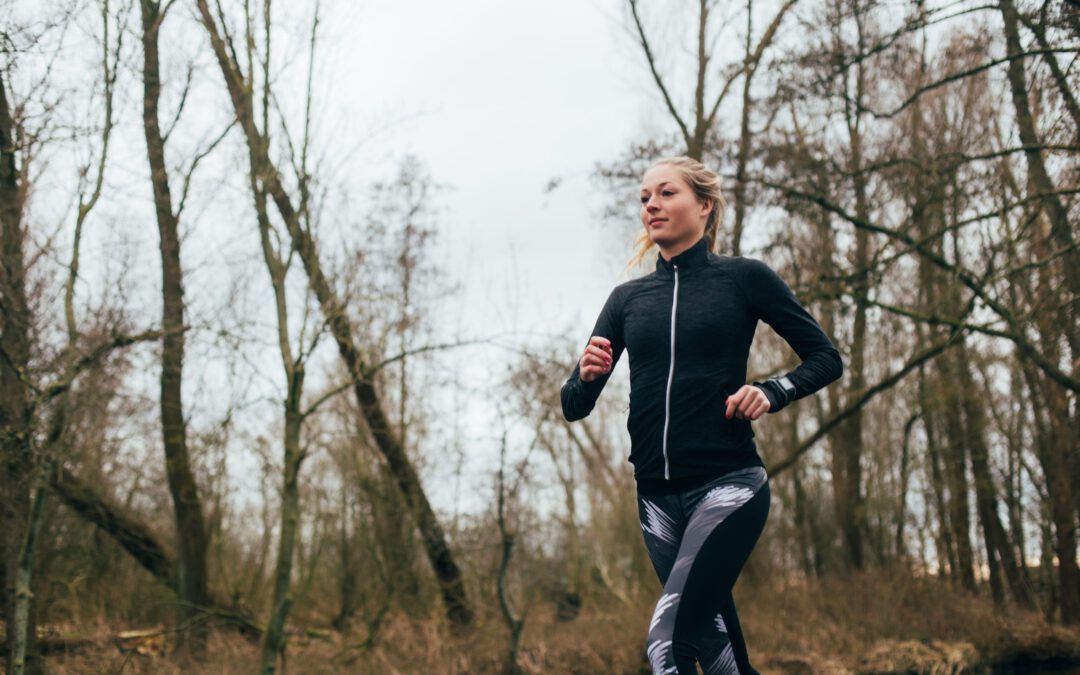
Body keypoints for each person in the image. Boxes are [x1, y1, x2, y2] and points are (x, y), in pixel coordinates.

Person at [560, 156, 843, 674]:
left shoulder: (744, 279)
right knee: (721, 663)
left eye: (667, 193)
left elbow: (826, 359)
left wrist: (772, 391)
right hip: (657, 502)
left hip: (727, 486)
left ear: (704, 205)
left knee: (667, 645)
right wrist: (585, 375)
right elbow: (574, 406)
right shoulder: (627, 300)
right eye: (645, 197)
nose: (651, 205)